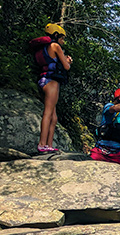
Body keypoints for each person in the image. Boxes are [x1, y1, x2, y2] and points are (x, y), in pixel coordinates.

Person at [31, 23, 72, 154]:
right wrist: (68, 61)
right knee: (48, 113)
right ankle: (42, 144)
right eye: (62, 38)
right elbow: (66, 67)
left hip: (43, 80)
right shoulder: (55, 46)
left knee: (54, 117)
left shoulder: (43, 48)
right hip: (52, 83)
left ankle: (49, 144)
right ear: (56, 35)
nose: (63, 41)